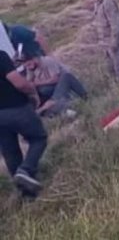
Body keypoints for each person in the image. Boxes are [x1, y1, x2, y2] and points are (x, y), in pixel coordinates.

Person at [0, 49, 47, 199]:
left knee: (10, 152)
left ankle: (27, 194)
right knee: (39, 138)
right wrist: (33, 91)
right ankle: (25, 170)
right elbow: (19, 83)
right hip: (15, 106)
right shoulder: (0, 55)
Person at [21, 51, 87, 117]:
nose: (28, 67)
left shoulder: (47, 61)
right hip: (51, 87)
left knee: (66, 76)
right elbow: (29, 82)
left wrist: (38, 83)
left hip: (63, 81)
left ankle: (83, 96)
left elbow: (56, 79)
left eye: (29, 64)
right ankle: (56, 105)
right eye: (26, 66)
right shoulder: (30, 68)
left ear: (35, 59)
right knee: (43, 91)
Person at [81, 0, 119, 78]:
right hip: (105, 44)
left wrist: (114, 43)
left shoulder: (108, 2)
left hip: (114, 44)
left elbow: (116, 25)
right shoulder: (97, 3)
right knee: (111, 71)